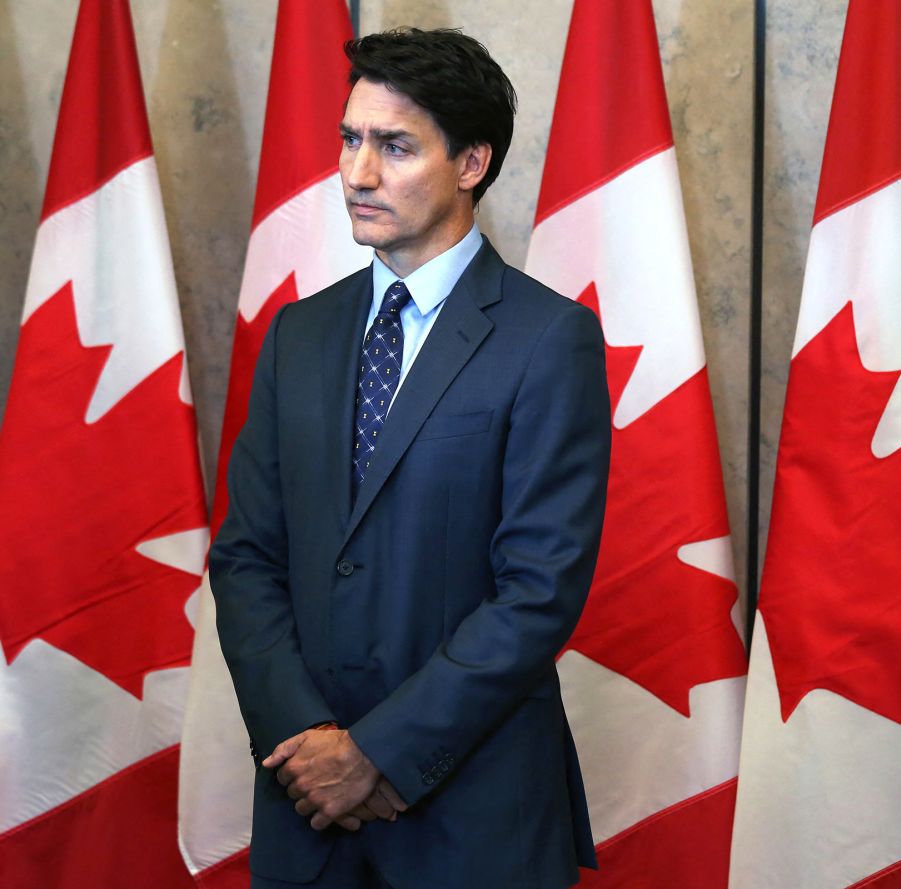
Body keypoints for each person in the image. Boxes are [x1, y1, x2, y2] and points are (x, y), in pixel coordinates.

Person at [209, 27, 610, 889]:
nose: (356, 173)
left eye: (394, 146)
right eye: (351, 140)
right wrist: (310, 746)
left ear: (471, 163)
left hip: (472, 821)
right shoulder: (299, 334)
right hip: (306, 812)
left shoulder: (549, 341)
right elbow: (246, 558)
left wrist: (377, 755)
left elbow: (538, 591)